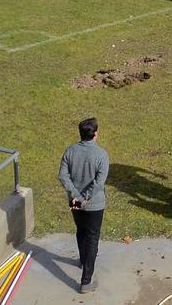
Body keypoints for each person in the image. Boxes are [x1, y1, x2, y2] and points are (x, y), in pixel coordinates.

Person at [59, 117, 109, 294]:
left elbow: (63, 176)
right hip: (94, 205)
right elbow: (99, 182)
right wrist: (85, 197)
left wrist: (76, 196)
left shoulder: (70, 151)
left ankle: (83, 259)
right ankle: (86, 281)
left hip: (75, 203)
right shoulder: (101, 155)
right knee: (92, 237)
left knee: (81, 230)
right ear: (95, 134)